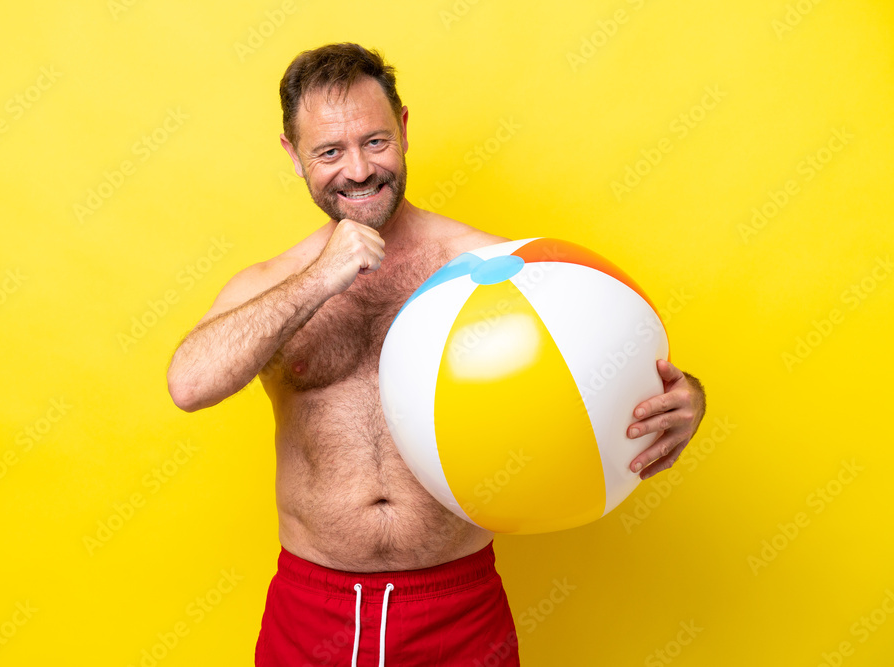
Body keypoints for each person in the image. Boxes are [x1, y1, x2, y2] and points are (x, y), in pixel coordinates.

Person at [166, 42, 706, 667]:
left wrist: (686, 399)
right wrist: (319, 277)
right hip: (313, 612)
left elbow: (614, 366)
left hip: (458, 608)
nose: (359, 170)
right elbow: (188, 383)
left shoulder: (497, 268)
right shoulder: (275, 284)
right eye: (329, 152)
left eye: (374, 141)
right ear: (293, 157)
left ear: (402, 128)